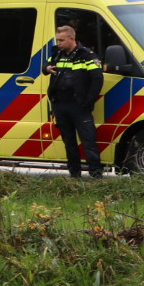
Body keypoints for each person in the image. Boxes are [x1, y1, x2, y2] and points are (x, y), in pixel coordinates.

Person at [46, 24, 104, 179]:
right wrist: (47, 69)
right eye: (58, 40)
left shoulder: (86, 55)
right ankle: (74, 174)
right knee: (69, 142)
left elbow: (97, 80)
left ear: (72, 39)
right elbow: (47, 65)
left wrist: (87, 102)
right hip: (61, 104)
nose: (58, 43)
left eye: (61, 40)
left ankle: (96, 174)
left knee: (88, 141)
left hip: (79, 106)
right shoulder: (57, 53)